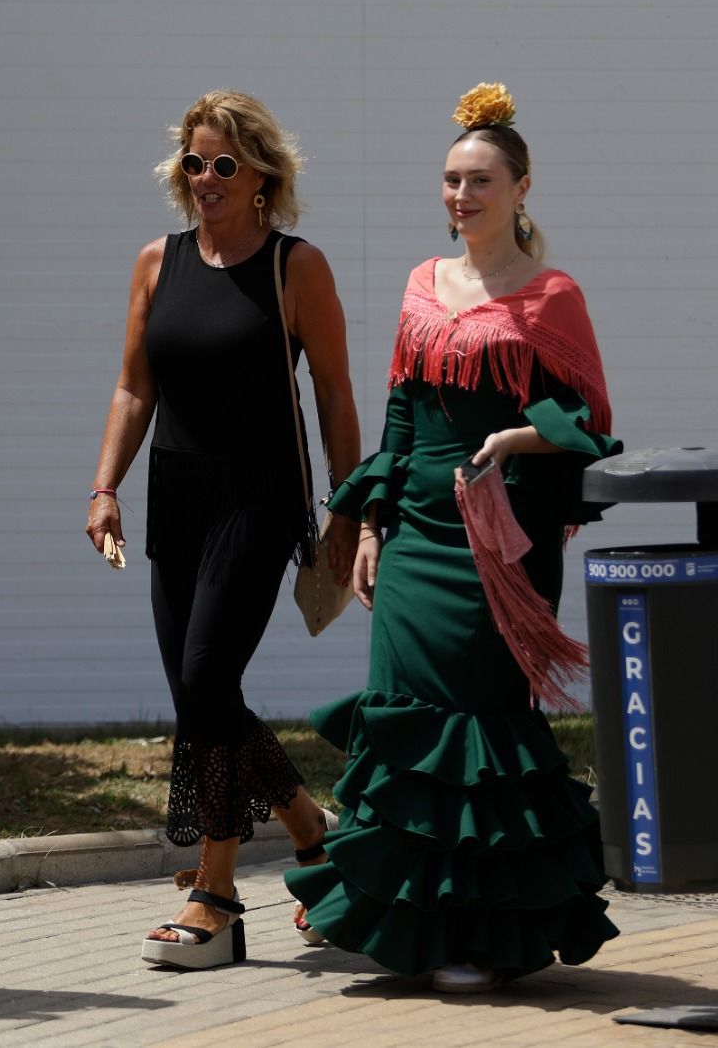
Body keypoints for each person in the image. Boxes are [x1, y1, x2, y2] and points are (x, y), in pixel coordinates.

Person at [285, 83, 621, 993]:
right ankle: (411, 925)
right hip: (417, 539)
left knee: (482, 727)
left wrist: (517, 435)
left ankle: (479, 933)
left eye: (479, 182)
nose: (460, 197)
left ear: (520, 189)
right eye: (450, 181)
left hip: (499, 546)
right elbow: (400, 411)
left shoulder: (553, 296)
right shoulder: (420, 286)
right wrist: (368, 531)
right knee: (404, 721)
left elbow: (591, 420)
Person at [86, 90, 361, 970]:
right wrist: (105, 488)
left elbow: (333, 395)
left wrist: (350, 510)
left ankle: (216, 896)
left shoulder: (296, 266)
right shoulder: (155, 262)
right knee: (202, 698)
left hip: (260, 496)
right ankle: (313, 832)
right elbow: (134, 388)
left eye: (223, 165)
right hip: (176, 495)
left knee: (207, 678)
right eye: (193, 163)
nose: (205, 179)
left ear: (262, 177)